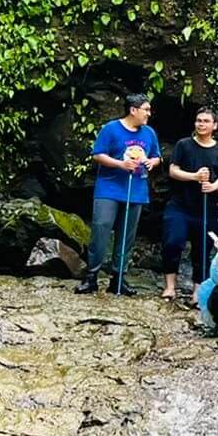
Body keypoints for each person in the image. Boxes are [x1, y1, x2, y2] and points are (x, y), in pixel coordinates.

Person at [76, 92, 161, 296]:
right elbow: (98, 154)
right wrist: (120, 164)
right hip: (109, 189)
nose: (149, 113)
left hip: (136, 190)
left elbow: (157, 156)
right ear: (133, 110)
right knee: (101, 229)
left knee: (127, 235)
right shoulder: (111, 129)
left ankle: (118, 278)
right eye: (146, 110)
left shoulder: (149, 133)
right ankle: (91, 277)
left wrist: (151, 162)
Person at [160, 107, 218, 303]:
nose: (201, 124)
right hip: (179, 205)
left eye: (206, 121)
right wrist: (195, 177)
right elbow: (173, 170)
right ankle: (170, 287)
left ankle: (198, 291)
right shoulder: (184, 145)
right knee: (172, 242)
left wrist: (214, 186)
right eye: (199, 120)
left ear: (214, 126)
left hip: (207, 208)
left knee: (203, 249)